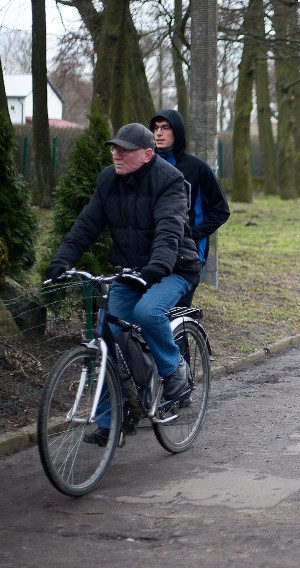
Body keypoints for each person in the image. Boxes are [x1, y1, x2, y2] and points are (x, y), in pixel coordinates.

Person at [44, 123, 201, 445]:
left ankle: (174, 370)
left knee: (147, 312)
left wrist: (157, 266)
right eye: (115, 148)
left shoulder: (169, 180)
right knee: (107, 337)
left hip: (173, 268)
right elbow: (86, 225)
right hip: (131, 270)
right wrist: (62, 260)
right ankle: (110, 422)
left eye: (125, 150)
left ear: (147, 154)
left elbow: (170, 229)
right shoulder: (108, 180)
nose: (117, 154)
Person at [150, 109, 230, 307]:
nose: (158, 133)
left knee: (173, 315)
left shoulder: (197, 168)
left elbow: (221, 210)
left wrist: (194, 234)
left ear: (177, 131)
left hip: (187, 255)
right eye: (155, 128)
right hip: (153, 251)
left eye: (165, 128)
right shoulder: (146, 166)